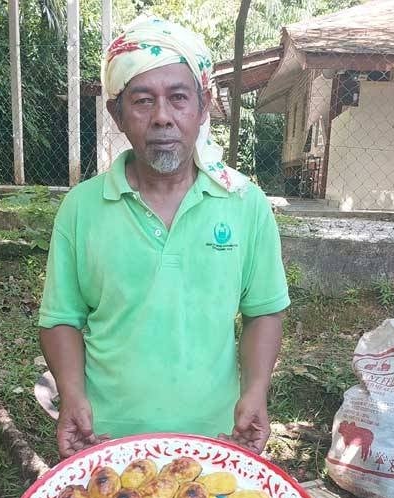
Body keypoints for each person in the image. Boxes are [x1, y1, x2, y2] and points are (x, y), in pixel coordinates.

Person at [38, 16, 289, 459]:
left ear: (203, 105)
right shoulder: (82, 208)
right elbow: (61, 317)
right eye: (141, 101)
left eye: (178, 98)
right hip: (105, 438)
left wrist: (255, 390)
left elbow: (264, 311)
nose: (162, 118)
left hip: (216, 439)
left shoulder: (244, 203)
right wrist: (72, 395)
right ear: (117, 114)